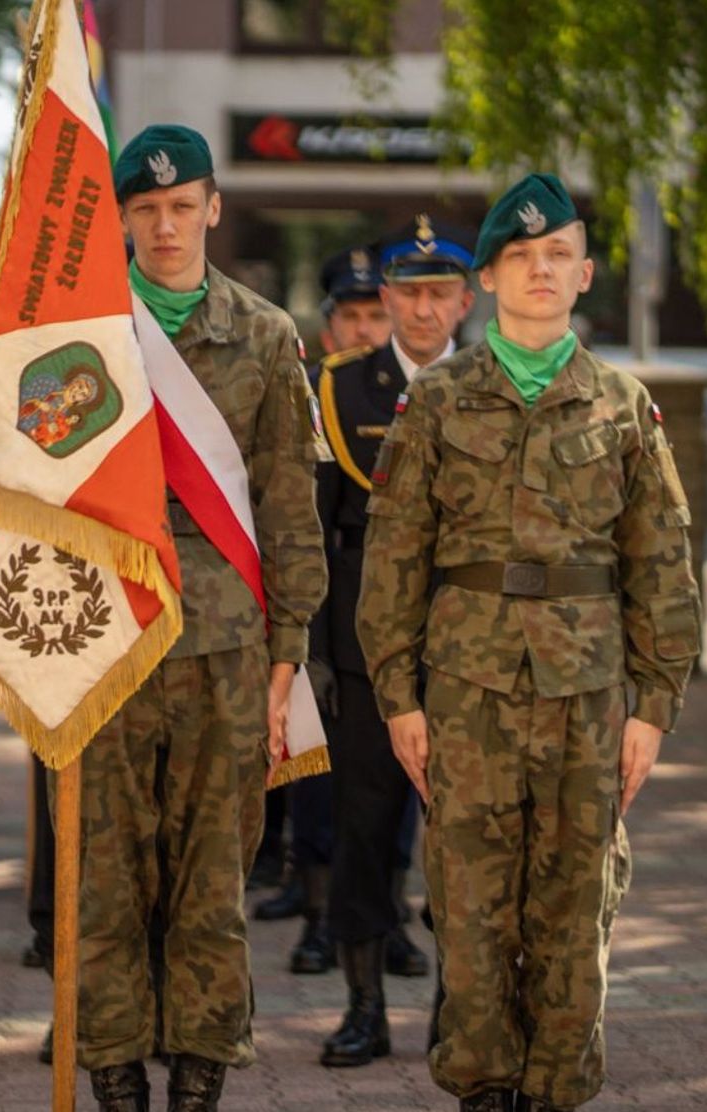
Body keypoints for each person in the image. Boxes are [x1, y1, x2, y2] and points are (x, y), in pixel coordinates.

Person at [356, 173, 700, 1112]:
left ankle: (551, 1109)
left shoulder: (625, 405)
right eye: (521, 257)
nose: (541, 271)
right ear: (491, 277)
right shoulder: (437, 400)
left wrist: (655, 706)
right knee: (468, 905)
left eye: (558, 257)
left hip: (590, 699)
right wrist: (397, 696)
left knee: (576, 901)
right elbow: (395, 559)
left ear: (585, 273)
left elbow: (660, 564)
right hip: (464, 694)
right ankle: (480, 1103)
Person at [76, 124, 327, 1112]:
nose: (167, 224)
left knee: (213, 890)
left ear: (214, 209)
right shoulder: (81, 333)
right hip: (106, 647)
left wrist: (286, 661)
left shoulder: (266, 336)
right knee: (105, 891)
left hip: (228, 655)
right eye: (146, 208)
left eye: (184, 206)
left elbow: (288, 506)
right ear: (123, 218)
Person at [315, 219, 475, 1067]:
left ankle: (456, 1003)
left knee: (464, 834)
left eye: (438, 292)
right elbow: (311, 526)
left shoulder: (493, 385)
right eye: (406, 292)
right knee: (365, 829)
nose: (421, 308)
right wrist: (310, 653)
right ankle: (364, 1005)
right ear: (384, 300)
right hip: (361, 646)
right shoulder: (342, 387)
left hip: (467, 646)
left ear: (464, 299)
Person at [254, 243, 391, 973]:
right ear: (330, 322)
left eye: (378, 313)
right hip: (321, 601)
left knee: (384, 785)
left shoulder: (406, 389)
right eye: (352, 315)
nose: (365, 328)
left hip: (383, 609)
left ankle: (381, 917)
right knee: (309, 767)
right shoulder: (311, 390)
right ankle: (313, 912)